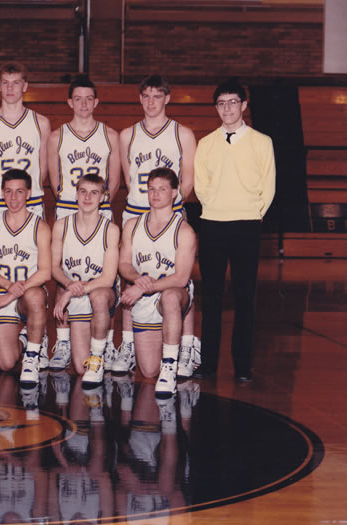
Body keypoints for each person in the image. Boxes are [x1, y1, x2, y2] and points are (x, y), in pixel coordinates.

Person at [113, 75, 197, 378]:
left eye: (157, 96)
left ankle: (186, 348)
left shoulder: (183, 133)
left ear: (167, 98)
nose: (151, 102)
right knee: (129, 275)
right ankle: (126, 347)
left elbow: (187, 179)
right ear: (140, 99)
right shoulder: (127, 135)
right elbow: (127, 177)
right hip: (136, 211)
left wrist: (168, 206)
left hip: (171, 212)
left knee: (179, 280)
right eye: (146, 96)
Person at [193, 81, 275, 382]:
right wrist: (215, 206)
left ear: (244, 104)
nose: (227, 108)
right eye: (221, 103)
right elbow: (201, 186)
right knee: (212, 297)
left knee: (244, 297)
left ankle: (242, 366)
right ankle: (210, 364)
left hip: (247, 226)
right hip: (213, 224)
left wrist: (252, 214)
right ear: (216, 107)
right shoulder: (206, 144)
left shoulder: (262, 142)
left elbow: (269, 186)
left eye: (232, 102)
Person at [0, 63, 51, 370]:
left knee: (35, 267)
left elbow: (43, 165)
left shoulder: (41, 122)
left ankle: (38, 337)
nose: (10, 88)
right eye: (5, 82)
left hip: (29, 199)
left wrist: (27, 193)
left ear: (25, 85)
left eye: (16, 82)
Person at [46, 75, 121, 370]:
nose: (84, 104)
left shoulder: (110, 135)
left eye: (89, 98)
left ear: (96, 102)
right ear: (69, 102)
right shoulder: (57, 136)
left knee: (106, 277)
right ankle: (62, 341)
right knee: (61, 271)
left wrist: (97, 201)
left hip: (98, 207)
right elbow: (54, 180)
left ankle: (107, 343)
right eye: (78, 98)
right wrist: (74, 201)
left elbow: (113, 181)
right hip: (69, 206)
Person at [118, 168, 196, 398]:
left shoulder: (184, 230)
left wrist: (142, 286)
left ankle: (171, 365)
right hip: (144, 297)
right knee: (149, 370)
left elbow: (181, 277)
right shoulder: (132, 225)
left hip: (171, 295)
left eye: (162, 189)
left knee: (172, 296)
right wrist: (136, 280)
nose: (155, 194)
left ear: (174, 193)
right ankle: (169, 352)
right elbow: (123, 264)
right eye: (151, 189)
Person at [0, 169, 51, 387]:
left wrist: (14, 292)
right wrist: (9, 288)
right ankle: (25, 338)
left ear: (29, 193)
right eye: (8, 192)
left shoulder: (40, 226)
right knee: (6, 363)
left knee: (36, 297)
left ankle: (32, 356)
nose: (13, 198)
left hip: (27, 293)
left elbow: (45, 271)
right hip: (3, 292)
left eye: (19, 192)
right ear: (2, 193)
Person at [51, 174, 120, 388]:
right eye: (83, 192)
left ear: (103, 197)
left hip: (100, 294)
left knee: (99, 296)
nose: (87, 197)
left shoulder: (111, 229)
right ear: (76, 194)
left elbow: (108, 279)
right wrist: (68, 285)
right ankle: (69, 344)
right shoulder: (61, 225)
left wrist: (70, 291)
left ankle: (98, 357)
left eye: (94, 193)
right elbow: (54, 267)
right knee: (79, 367)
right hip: (76, 294)